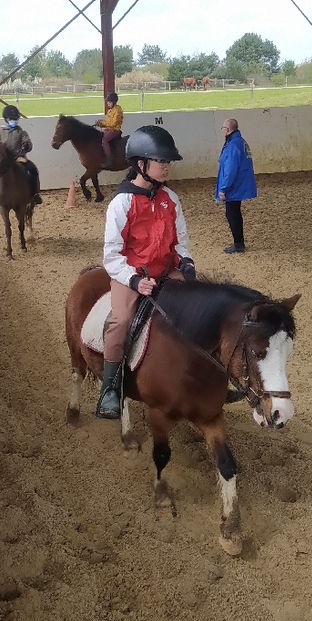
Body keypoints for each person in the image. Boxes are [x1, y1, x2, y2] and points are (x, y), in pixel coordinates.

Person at [97, 125, 196, 419]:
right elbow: (111, 256)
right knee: (121, 321)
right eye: (161, 162)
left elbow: (181, 243)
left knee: (201, 310)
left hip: (166, 273)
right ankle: (110, 388)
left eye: (168, 162)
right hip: (131, 275)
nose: (166, 167)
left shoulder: (171, 199)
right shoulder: (121, 203)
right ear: (141, 164)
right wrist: (135, 280)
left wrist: (187, 264)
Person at [215, 118, 257, 254]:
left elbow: (230, 168)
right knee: (234, 212)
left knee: (232, 213)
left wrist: (224, 188)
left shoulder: (233, 145)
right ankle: (239, 242)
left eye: (223, 128)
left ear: (227, 130)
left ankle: (238, 243)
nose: (222, 130)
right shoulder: (239, 142)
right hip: (239, 183)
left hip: (234, 185)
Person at [0, 104, 42, 205]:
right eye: (12, 119)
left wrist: (27, 145)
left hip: (19, 158)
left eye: (16, 118)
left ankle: (35, 194)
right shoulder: (1, 132)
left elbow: (29, 143)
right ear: (6, 119)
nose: (15, 120)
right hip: (5, 160)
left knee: (32, 169)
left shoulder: (21, 132)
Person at [94, 91, 123, 167]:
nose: (107, 103)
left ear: (113, 102)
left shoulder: (118, 110)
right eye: (107, 102)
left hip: (114, 130)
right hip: (109, 129)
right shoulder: (110, 110)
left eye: (109, 102)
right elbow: (108, 122)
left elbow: (113, 124)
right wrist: (100, 122)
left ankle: (109, 159)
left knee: (104, 140)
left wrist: (103, 124)